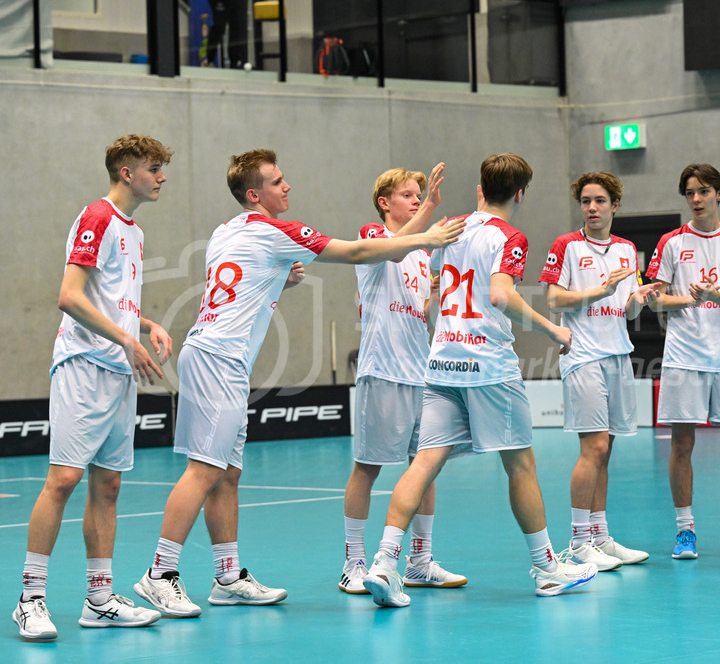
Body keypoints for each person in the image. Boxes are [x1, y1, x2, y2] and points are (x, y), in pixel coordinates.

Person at [132, 149, 463, 617]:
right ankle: (159, 574)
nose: (287, 187)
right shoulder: (275, 229)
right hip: (217, 359)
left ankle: (227, 576)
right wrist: (429, 231)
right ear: (255, 194)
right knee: (204, 471)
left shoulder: (228, 230)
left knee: (227, 474)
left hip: (219, 359)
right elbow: (358, 252)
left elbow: (238, 282)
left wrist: (277, 281)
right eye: (277, 181)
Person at [362, 153, 597, 608]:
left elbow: (427, 274)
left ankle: (385, 564)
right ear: (520, 194)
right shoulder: (510, 237)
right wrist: (552, 329)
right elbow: (499, 294)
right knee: (520, 465)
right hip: (488, 366)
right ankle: (547, 569)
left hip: (442, 360)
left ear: (479, 189)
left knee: (425, 462)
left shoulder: (451, 226)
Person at [13, 135, 173, 640]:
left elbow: (109, 297)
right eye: (153, 168)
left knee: (108, 485)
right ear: (126, 172)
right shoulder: (96, 218)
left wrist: (146, 324)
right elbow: (69, 296)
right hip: (83, 364)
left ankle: (100, 599)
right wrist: (128, 337)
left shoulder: (136, 233)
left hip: (119, 369)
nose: (161, 176)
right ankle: (29, 599)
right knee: (63, 481)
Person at [339, 164, 466, 595]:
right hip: (384, 372)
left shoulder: (420, 254)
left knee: (425, 469)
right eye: (408, 195)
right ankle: (354, 561)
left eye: (419, 195)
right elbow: (393, 250)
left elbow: (415, 311)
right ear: (384, 203)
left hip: (422, 373)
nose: (415, 199)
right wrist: (431, 209)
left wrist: (430, 297)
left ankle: (420, 561)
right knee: (368, 467)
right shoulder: (373, 236)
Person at [646, 163, 720, 559]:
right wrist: (689, 300)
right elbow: (656, 298)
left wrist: (716, 295)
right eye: (690, 193)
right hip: (683, 358)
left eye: (703, 192)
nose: (696, 200)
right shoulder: (670, 243)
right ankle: (685, 532)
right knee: (681, 443)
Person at [540, 171, 659, 571]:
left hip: (617, 354)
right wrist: (601, 291)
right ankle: (576, 542)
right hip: (582, 355)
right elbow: (554, 296)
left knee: (606, 452)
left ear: (615, 206)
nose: (592, 208)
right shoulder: (567, 246)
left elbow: (626, 309)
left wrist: (637, 298)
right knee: (594, 448)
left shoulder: (627, 249)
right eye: (586, 201)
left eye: (600, 201)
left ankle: (600, 536)